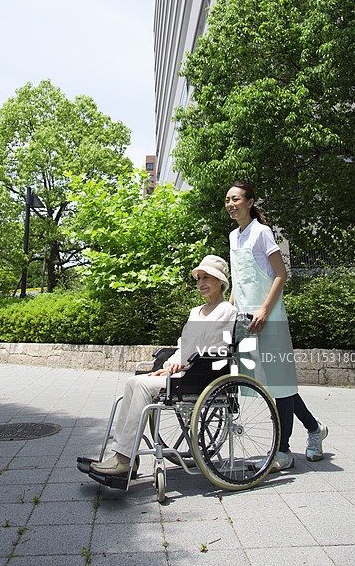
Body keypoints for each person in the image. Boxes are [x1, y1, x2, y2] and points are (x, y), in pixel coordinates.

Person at [81, 255, 237, 478]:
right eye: (198, 278)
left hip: (203, 375)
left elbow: (214, 348)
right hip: (185, 370)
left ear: (221, 282)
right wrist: (171, 363)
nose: (201, 282)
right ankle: (124, 456)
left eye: (207, 278)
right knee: (133, 381)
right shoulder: (196, 311)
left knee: (144, 387)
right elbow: (184, 344)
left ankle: (123, 459)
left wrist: (181, 365)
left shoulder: (227, 311)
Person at [225, 181, 328, 471]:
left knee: (280, 384)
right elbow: (238, 278)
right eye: (228, 200)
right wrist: (229, 310)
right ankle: (315, 429)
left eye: (236, 199)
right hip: (246, 321)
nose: (231, 204)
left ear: (250, 202)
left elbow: (280, 275)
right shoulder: (234, 236)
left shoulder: (262, 232)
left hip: (269, 319)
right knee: (270, 384)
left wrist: (265, 311)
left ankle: (282, 451)